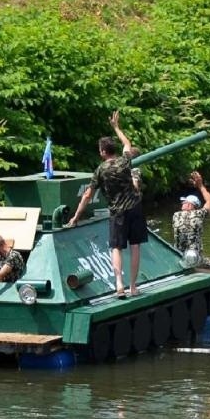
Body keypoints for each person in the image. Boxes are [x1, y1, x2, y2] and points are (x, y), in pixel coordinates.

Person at [67, 111, 145, 297]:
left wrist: (76, 217)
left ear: (103, 152)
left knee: (116, 248)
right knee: (135, 246)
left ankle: (119, 284)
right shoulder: (124, 161)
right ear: (113, 150)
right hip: (135, 207)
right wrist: (116, 127)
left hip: (117, 212)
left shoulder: (100, 170)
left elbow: (87, 195)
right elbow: (127, 143)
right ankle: (133, 287)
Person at [173, 172, 210, 272]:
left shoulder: (175, 215)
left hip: (179, 257)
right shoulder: (198, 214)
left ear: (189, 205)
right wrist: (200, 185)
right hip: (195, 259)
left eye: (184, 202)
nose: (182, 204)